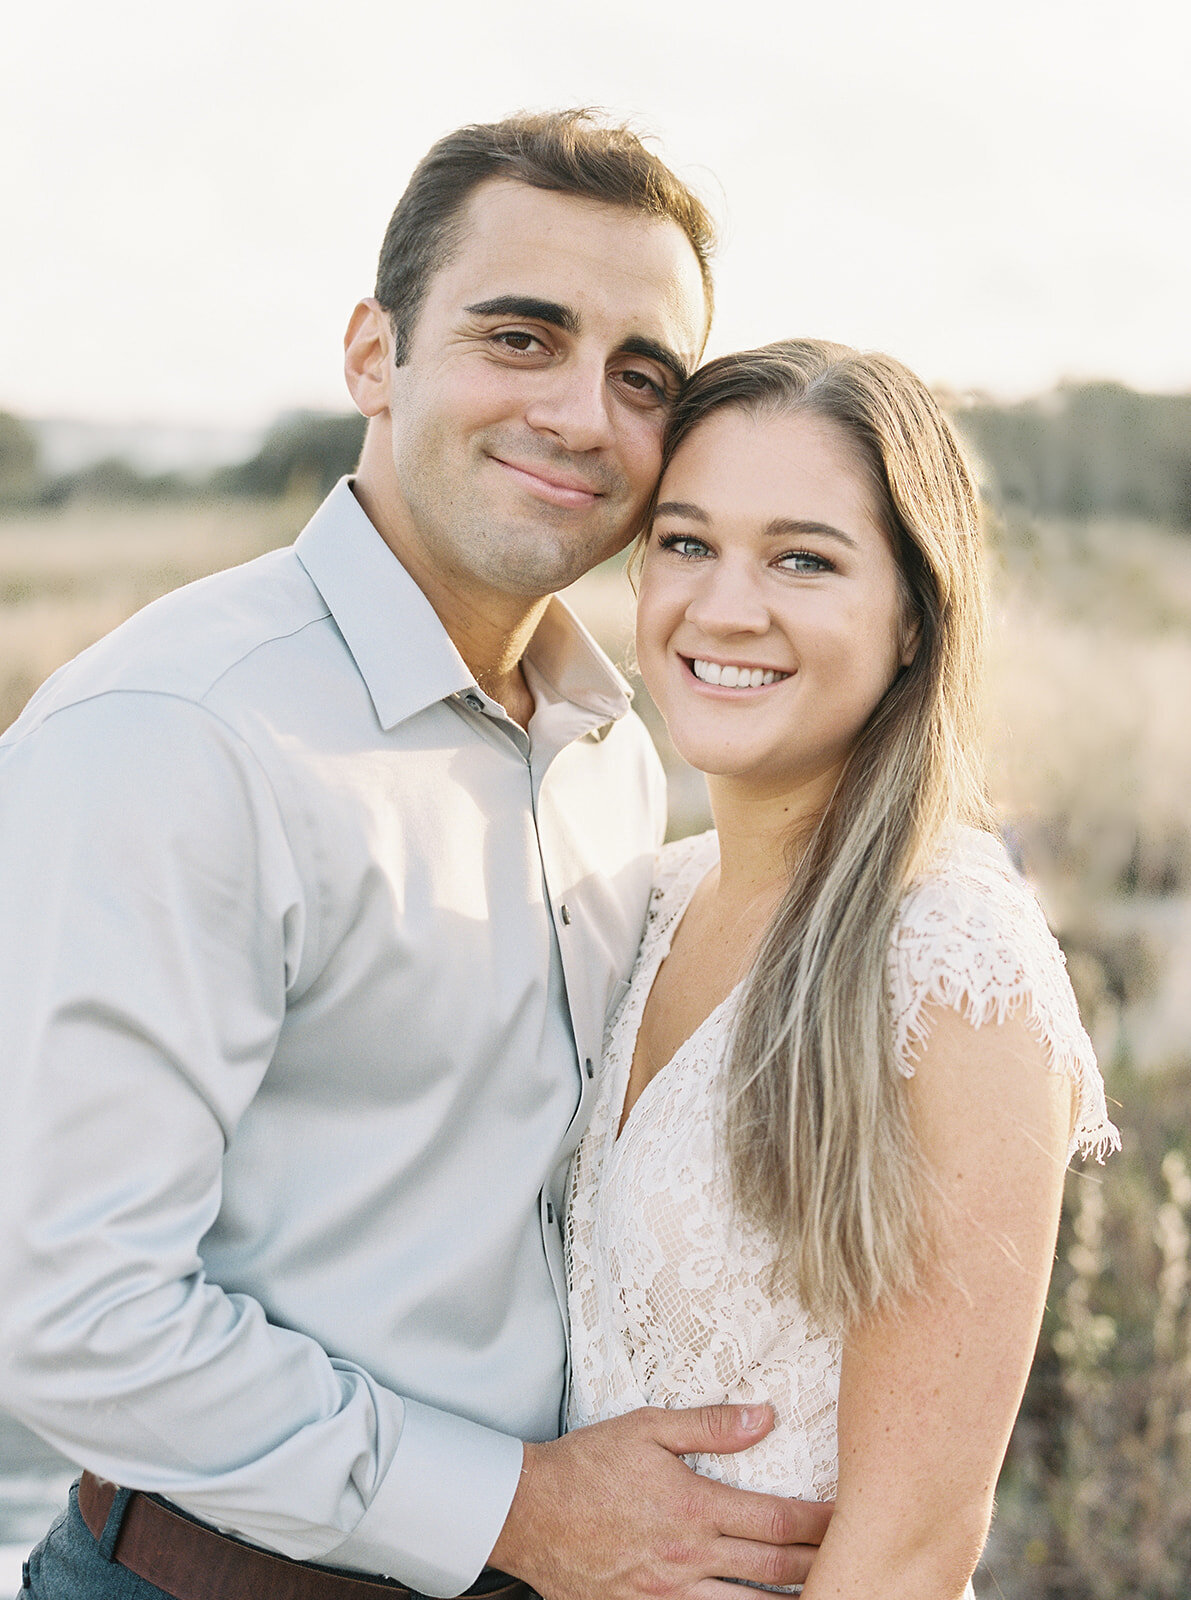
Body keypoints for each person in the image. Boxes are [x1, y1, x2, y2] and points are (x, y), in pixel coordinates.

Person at [0, 115, 830, 1600]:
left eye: (642, 377)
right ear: (372, 356)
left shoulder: (609, 755)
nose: (584, 415)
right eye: (521, 337)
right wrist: (515, 1510)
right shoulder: (178, 733)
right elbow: (68, 1313)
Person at [564, 338, 1120, 1599]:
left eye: (803, 558)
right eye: (686, 541)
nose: (724, 606)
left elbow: (912, 1547)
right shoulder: (646, 900)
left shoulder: (946, 952)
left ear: (915, 612)